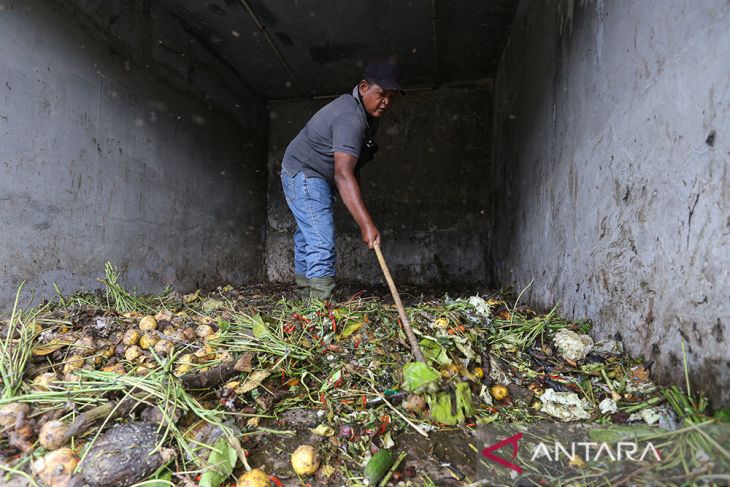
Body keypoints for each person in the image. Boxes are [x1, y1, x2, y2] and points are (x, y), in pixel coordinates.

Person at [280, 60, 402, 299]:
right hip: (305, 172)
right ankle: (318, 311)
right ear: (364, 87)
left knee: (308, 237)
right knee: (320, 241)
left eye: (391, 96)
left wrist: (359, 211)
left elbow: (351, 170)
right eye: (381, 94)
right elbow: (343, 175)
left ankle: (307, 303)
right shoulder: (350, 117)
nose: (386, 102)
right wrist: (366, 224)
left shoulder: (365, 116)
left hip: (313, 175)